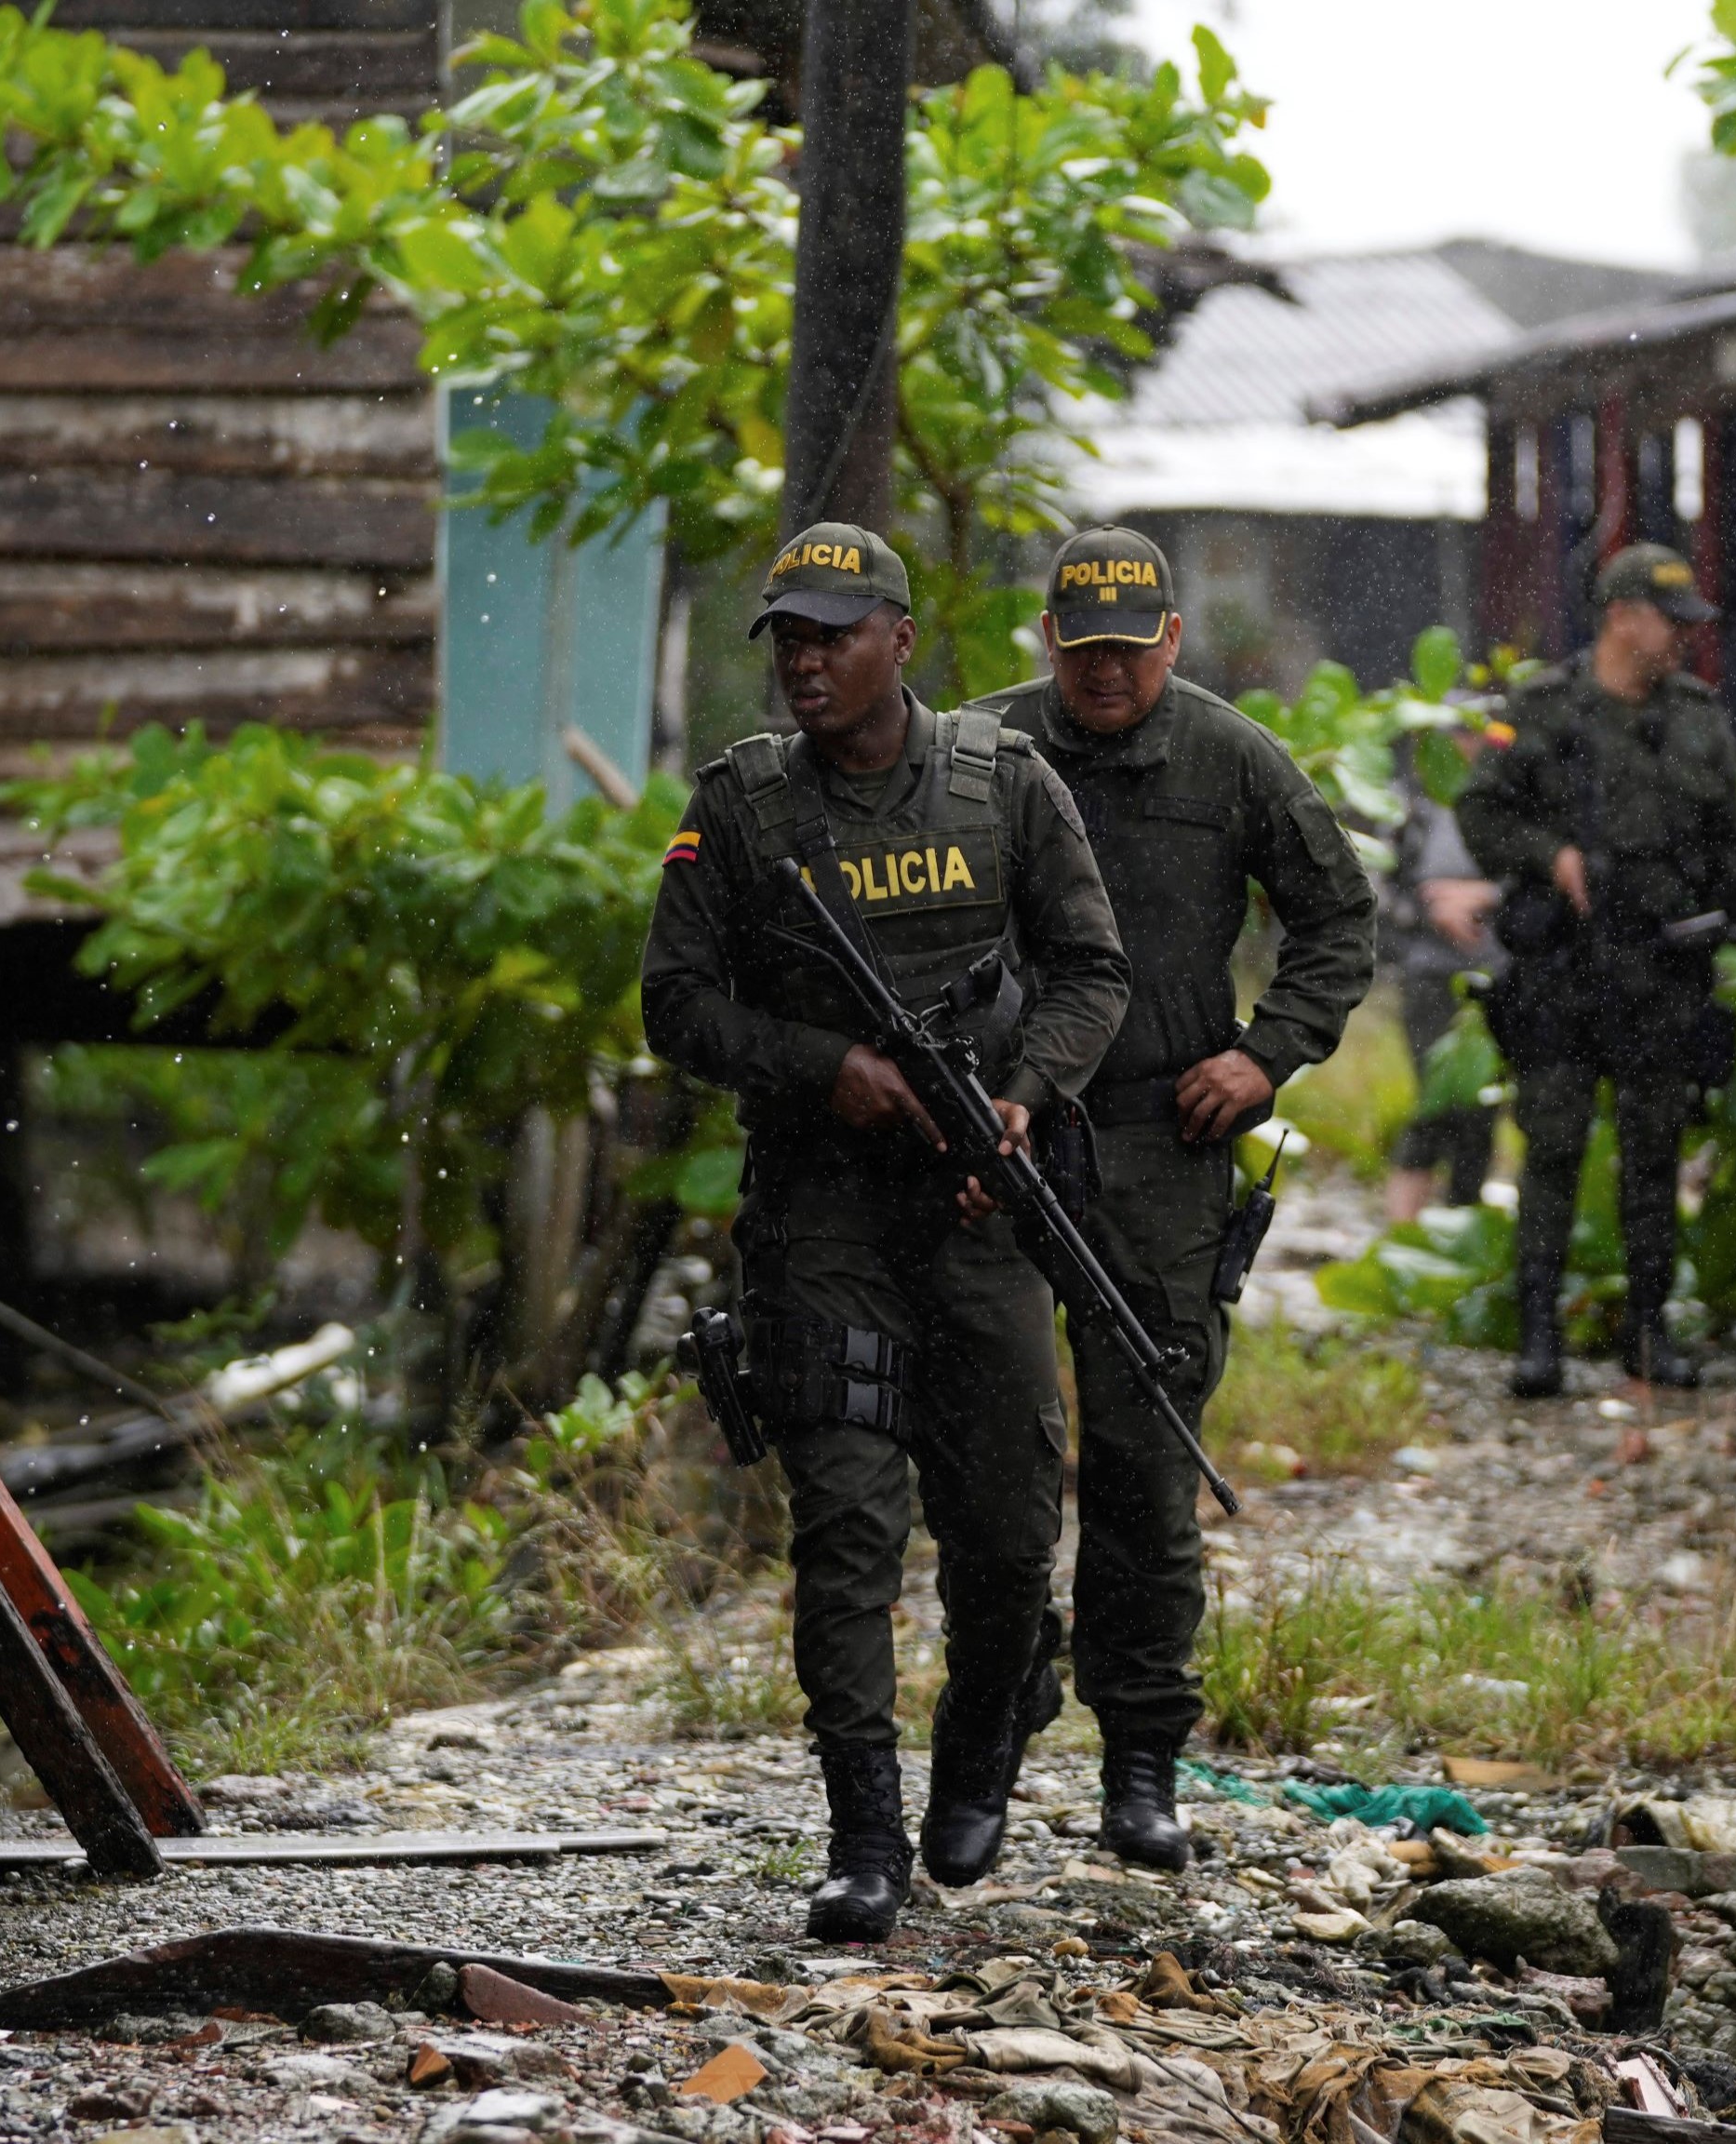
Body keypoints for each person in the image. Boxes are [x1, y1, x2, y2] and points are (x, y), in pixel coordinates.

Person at [640, 522, 1134, 1941]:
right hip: (822, 1217)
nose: (803, 659)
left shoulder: (1004, 787)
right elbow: (675, 1006)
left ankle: (986, 1736)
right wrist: (826, 1069)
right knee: (847, 1523)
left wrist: (1026, 1104)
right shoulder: (738, 809)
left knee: (1004, 1523)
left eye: (832, 635)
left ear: (899, 642)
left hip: (983, 1210)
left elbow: (1090, 971)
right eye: (787, 636)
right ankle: (865, 1833)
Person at [967, 526, 1377, 1873]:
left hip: (1163, 1152)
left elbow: (1339, 920)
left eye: (1129, 652)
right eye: (1082, 651)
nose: (1105, 675)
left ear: (1173, 641)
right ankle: (999, 1710)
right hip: (1006, 1145)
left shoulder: (1230, 757)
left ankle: (1142, 1759)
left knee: (1144, 1467)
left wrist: (1265, 1054)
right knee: (993, 1457)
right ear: (1049, 641)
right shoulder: (980, 752)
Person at [1457, 543, 1736, 1400]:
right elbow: (1482, 811)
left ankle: (1649, 1330)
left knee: (1653, 1157)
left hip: (1662, 972)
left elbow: (1732, 844)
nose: (1680, 638)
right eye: (1668, 622)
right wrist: (1549, 851)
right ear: (1622, 617)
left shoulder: (1696, 717)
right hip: (1566, 973)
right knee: (1553, 1152)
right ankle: (1539, 1338)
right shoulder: (1542, 709)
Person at [1382, 788, 1503, 1224]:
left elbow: (1544, 876)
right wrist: (1431, 908)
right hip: (1429, 974)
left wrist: (1488, 896)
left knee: (1481, 1111)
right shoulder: (1415, 804)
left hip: (1499, 976)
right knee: (1434, 1103)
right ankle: (1400, 1235)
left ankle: (1462, 1228)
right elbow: (1378, 882)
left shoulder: (1518, 793)